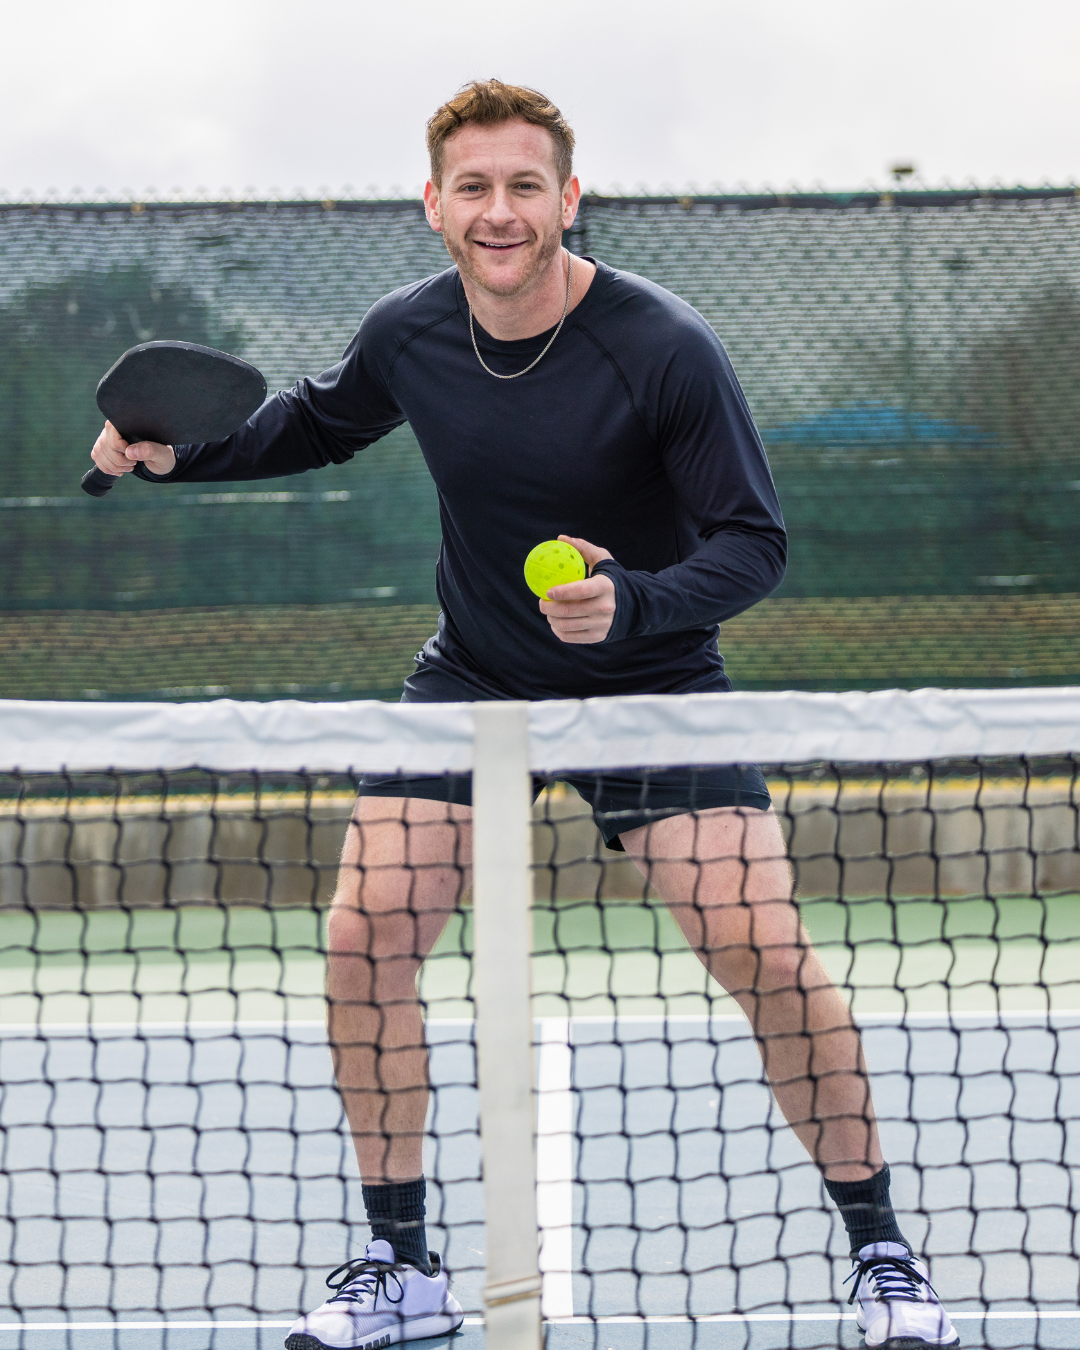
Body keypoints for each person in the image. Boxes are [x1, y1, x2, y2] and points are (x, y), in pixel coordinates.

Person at [90, 79, 958, 1350]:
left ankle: (885, 1259)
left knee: (764, 953)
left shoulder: (663, 345)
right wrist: (176, 454)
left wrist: (637, 603)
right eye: (475, 188)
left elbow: (753, 544)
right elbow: (315, 427)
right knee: (364, 938)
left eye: (526, 185)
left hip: (651, 681)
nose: (501, 212)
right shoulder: (411, 332)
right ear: (434, 204)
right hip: (477, 675)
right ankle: (403, 1268)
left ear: (567, 198)